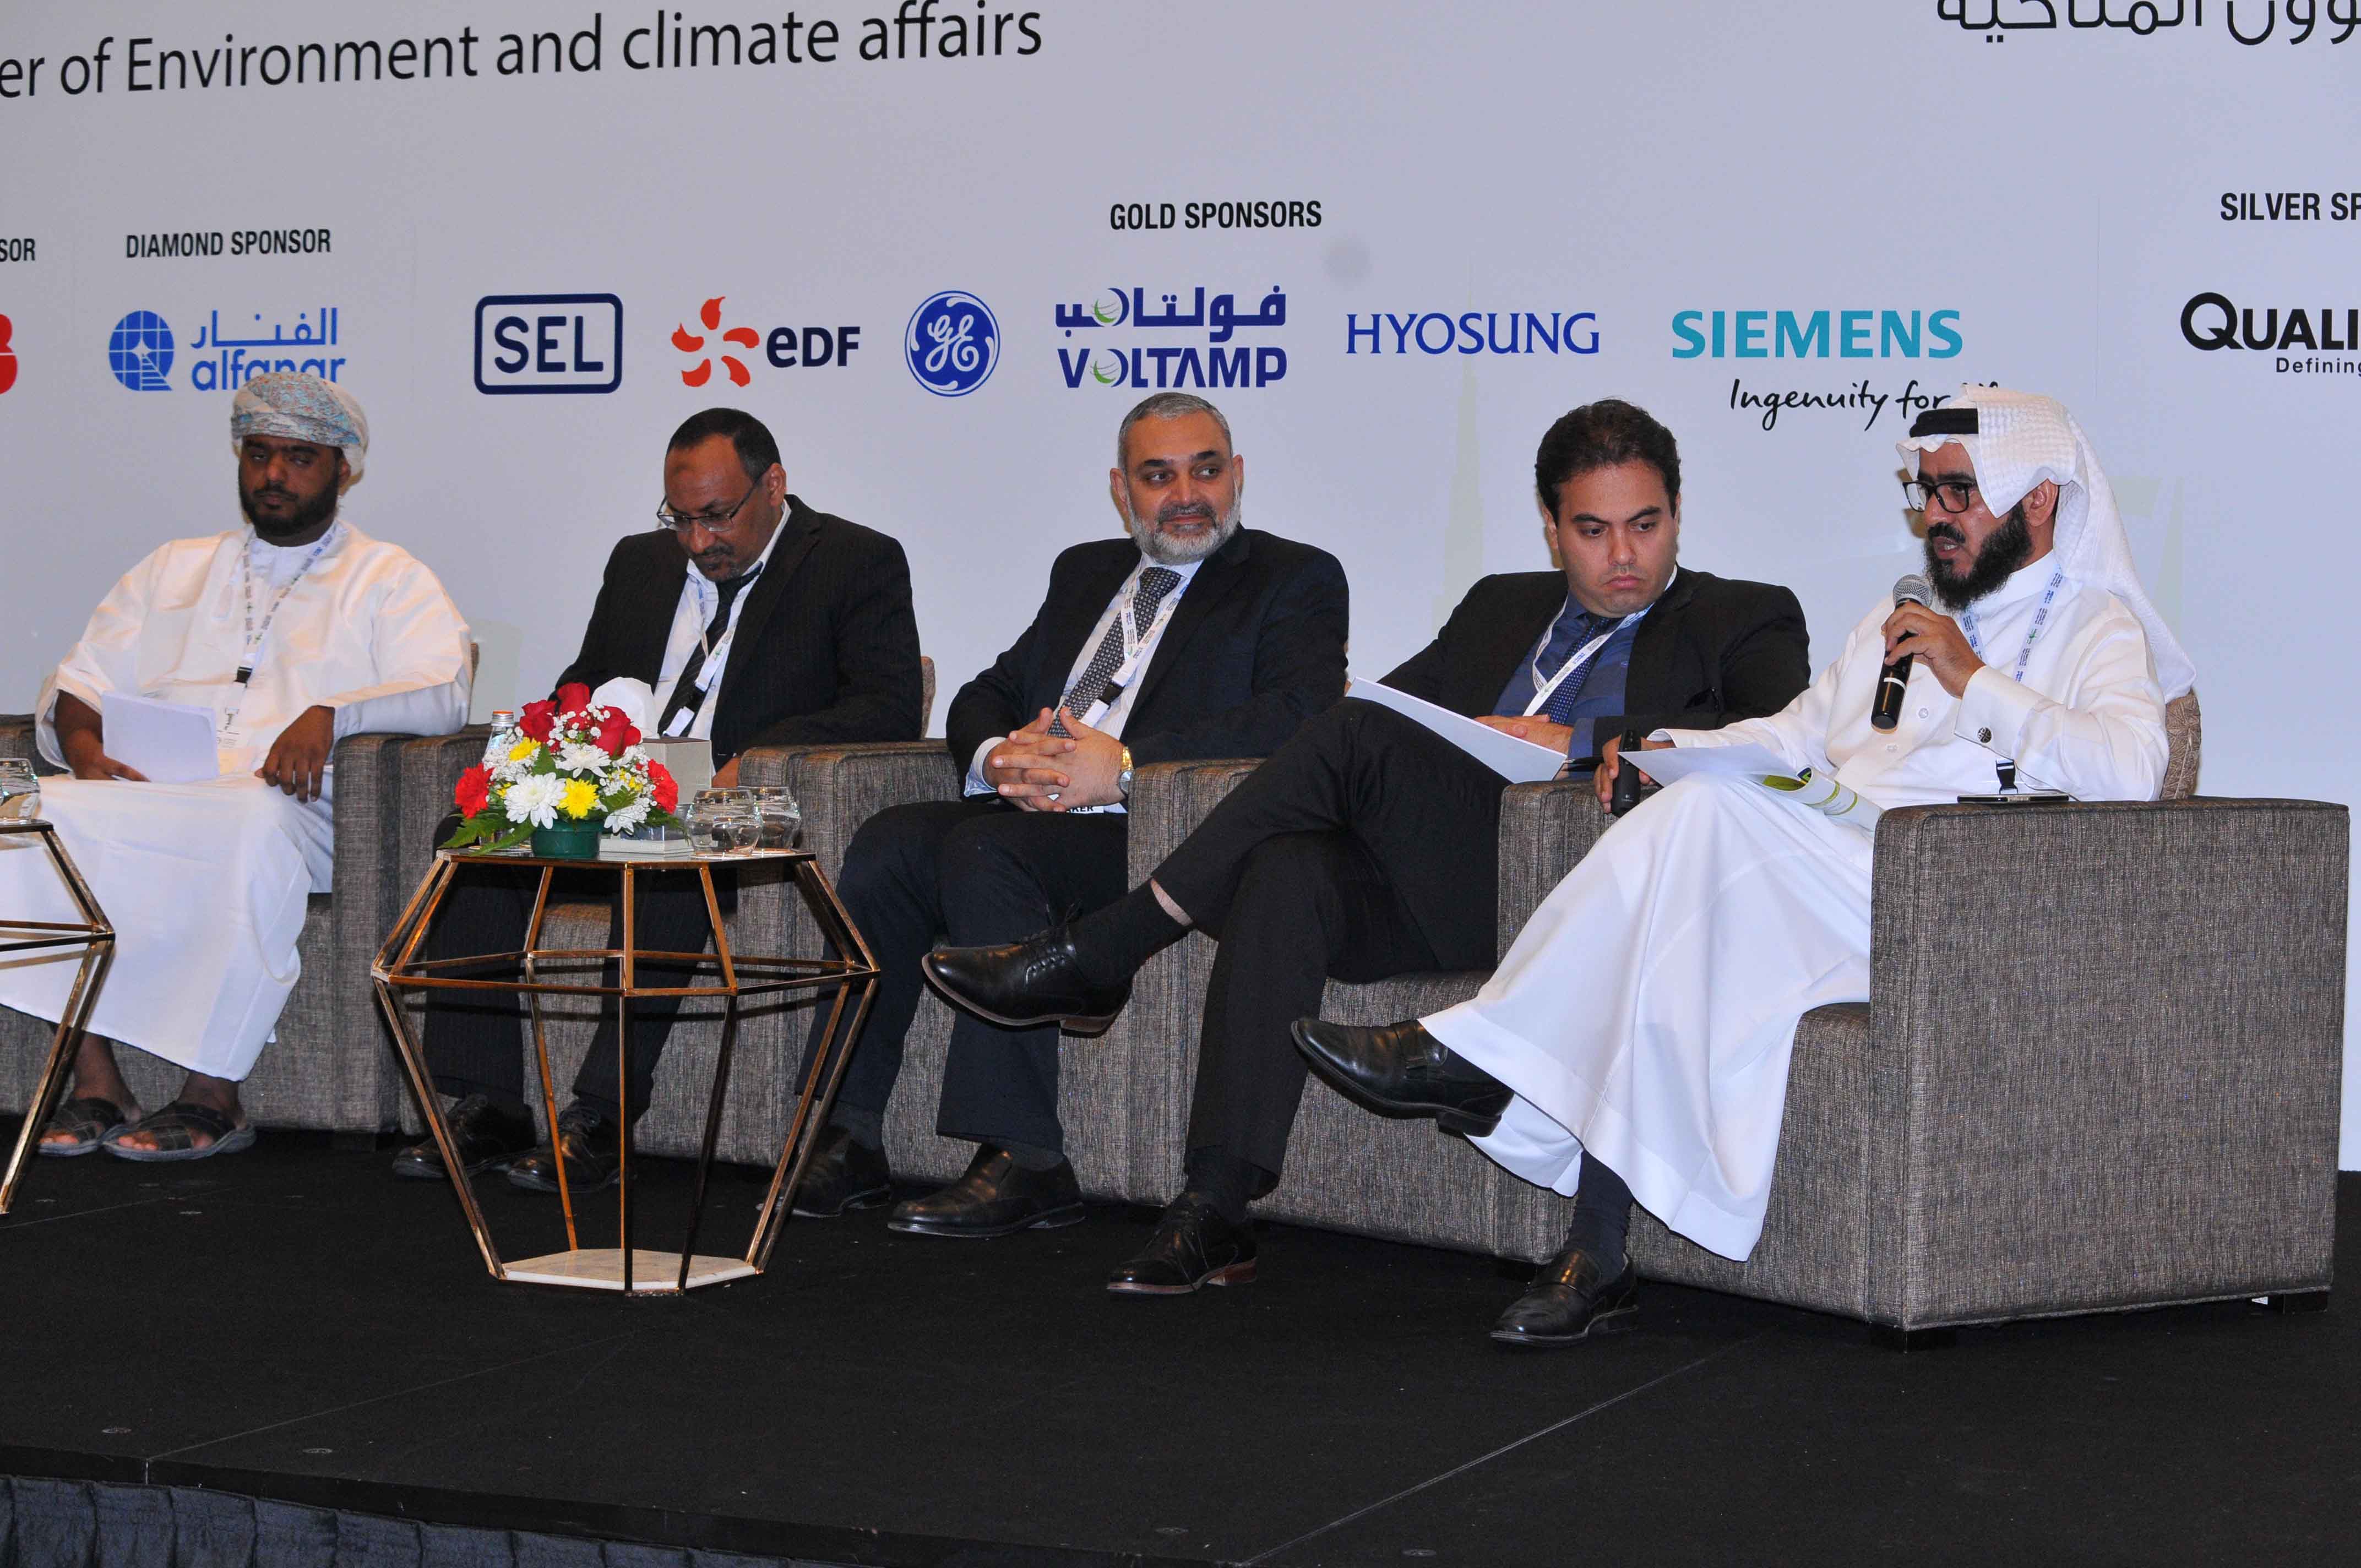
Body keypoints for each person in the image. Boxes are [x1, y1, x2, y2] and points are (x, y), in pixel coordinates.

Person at [1290, 386, 2189, 1347]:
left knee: (1710, 817)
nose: (1935, 516)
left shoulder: (2097, 625)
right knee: (1684, 855)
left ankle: (1476, 1059)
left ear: (2039, 500)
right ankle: (1594, 1250)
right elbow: (1791, 734)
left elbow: (2133, 771)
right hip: (1826, 875)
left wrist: (1974, 679)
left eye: (1959, 493)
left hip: (1947, 905)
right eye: (1925, 491)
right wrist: (1664, 748)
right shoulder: (1896, 622)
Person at [922, 399, 1811, 1293]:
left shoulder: (1746, 618)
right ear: (1552, 529)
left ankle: (1114, 943)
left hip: (1586, 897)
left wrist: (1581, 740)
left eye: (1644, 526)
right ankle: (1216, 1204)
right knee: (1292, 863)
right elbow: (1390, 711)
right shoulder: (1500, 606)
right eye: (1593, 530)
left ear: (1677, 514)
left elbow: (1776, 745)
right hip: (1444, 879)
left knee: (1349, 736)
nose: (1622, 554)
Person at [788, 391, 1350, 1238]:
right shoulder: (1086, 573)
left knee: (987, 852)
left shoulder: (1293, 577)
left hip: (1156, 836)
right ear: (1123, 492)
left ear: (1237, 475)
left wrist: (1122, 767)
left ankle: (1025, 1159)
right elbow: (990, 690)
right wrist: (996, 757)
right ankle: (848, 1131)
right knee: (892, 842)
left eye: (1205, 470)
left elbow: (1298, 716)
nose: (1186, 495)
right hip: (1037, 818)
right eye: (1158, 476)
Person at [393, 406, 923, 1190]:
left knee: (672, 848)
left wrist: (756, 761)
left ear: (774, 486)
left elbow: (887, 706)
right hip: (618, 794)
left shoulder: (854, 561)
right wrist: (544, 754)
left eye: (718, 517)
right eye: (681, 519)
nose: (699, 542)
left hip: (724, 818)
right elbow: (584, 683)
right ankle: (490, 1103)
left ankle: (601, 1117)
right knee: (474, 832)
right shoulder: (640, 563)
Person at [7, 373, 473, 1161]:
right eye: (259, 455)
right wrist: (84, 751)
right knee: (36, 813)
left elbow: (444, 690)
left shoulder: (388, 577)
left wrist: (333, 713)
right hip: (158, 797)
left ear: (343, 469)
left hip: (290, 808)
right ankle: (96, 1080)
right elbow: (79, 681)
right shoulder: (173, 567)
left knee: (247, 819)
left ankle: (212, 1093)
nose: (274, 475)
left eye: (298, 458)